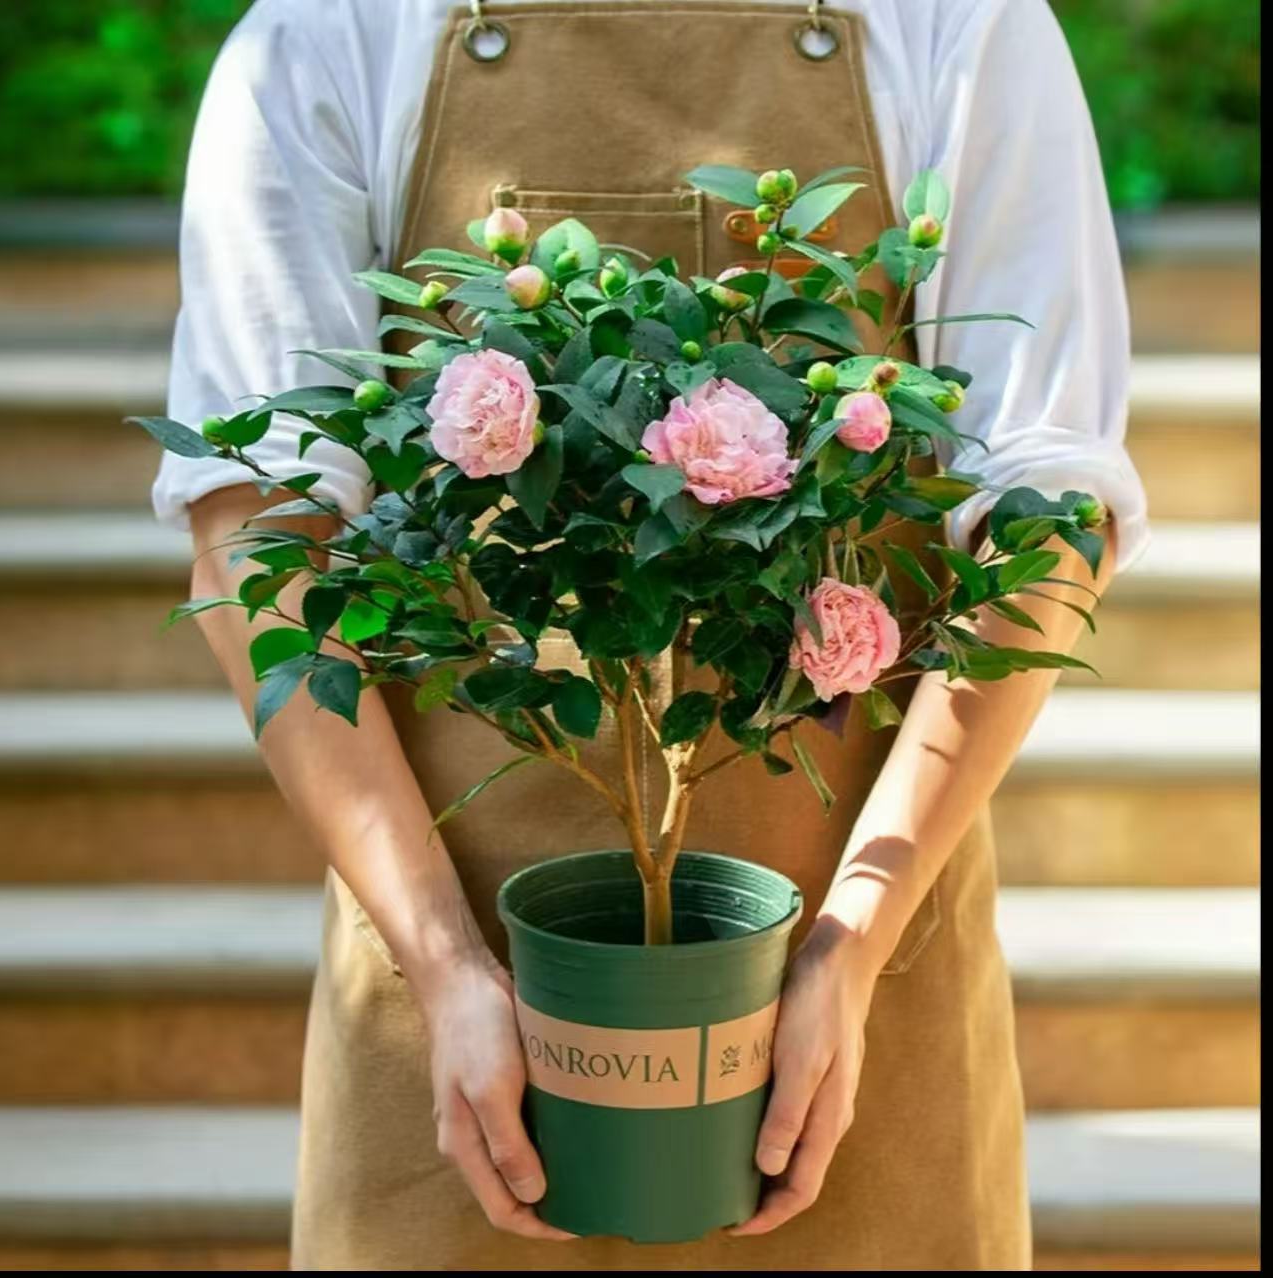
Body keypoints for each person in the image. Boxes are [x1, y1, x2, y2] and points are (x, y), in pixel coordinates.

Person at [155, 0, 1149, 1268]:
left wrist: (847, 950)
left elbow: (1044, 514)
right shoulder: (329, 30)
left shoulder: (958, 20)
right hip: (463, 1022)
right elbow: (259, 534)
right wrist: (446, 967)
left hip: (856, 992)